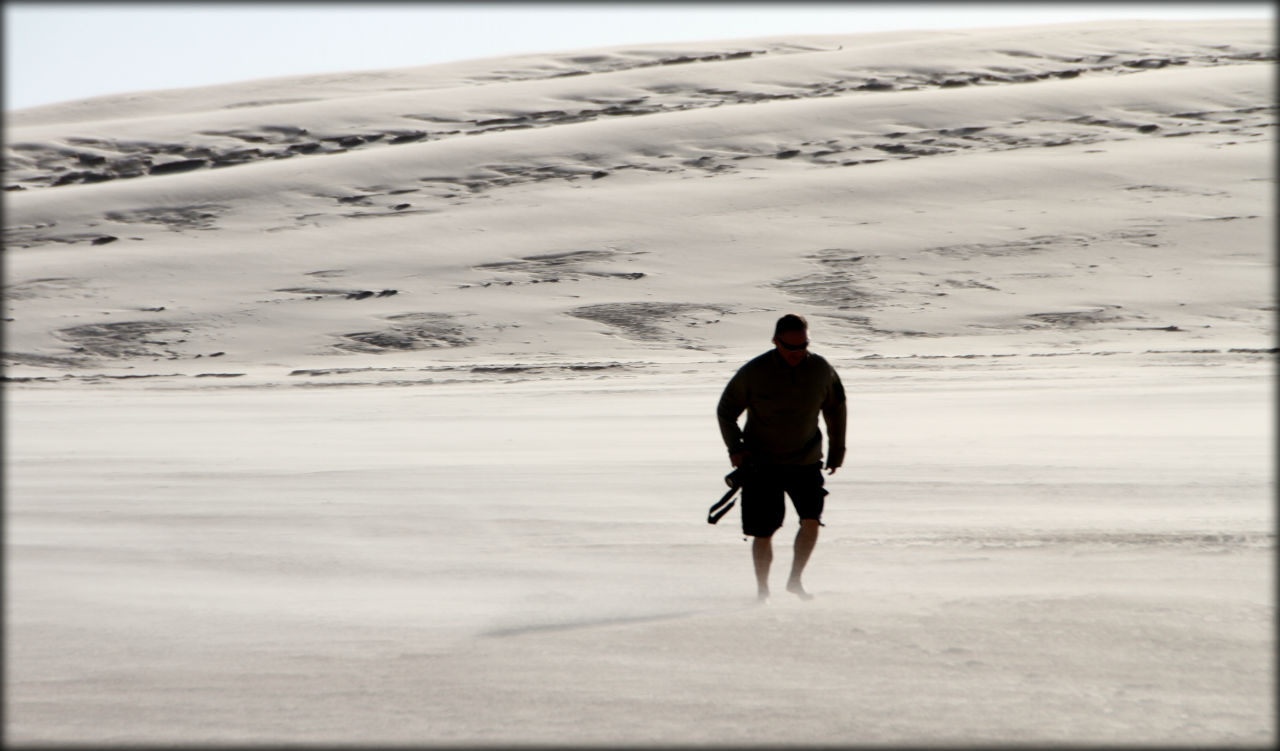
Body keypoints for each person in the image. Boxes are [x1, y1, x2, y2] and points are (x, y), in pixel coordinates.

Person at [716, 314, 847, 602]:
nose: (797, 354)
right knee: (763, 532)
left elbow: (836, 409)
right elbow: (726, 411)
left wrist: (837, 451)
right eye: (790, 349)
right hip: (762, 465)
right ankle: (762, 591)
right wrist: (735, 448)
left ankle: (795, 580)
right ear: (776, 342)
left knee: (811, 520)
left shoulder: (821, 370)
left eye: (803, 347)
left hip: (806, 461)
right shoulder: (755, 372)